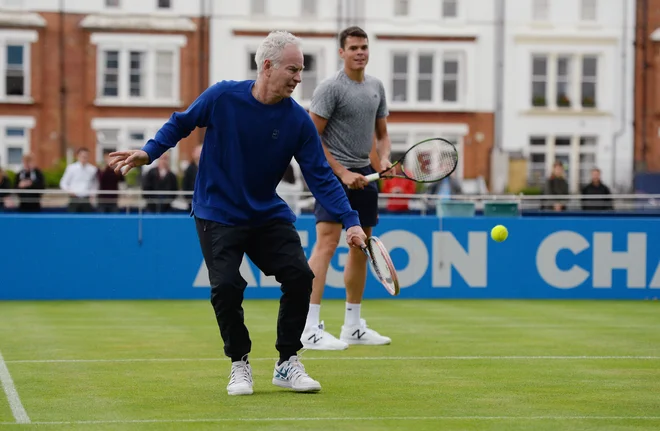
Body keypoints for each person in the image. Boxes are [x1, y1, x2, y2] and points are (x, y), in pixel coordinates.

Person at [108, 30, 367, 396]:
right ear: (266, 67)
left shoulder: (297, 121)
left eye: (301, 70)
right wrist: (148, 153)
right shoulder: (222, 96)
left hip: (266, 213)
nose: (298, 78)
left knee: (299, 275)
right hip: (217, 212)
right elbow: (181, 123)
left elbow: (321, 177)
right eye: (293, 69)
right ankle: (239, 363)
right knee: (226, 286)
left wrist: (352, 221)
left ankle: (287, 361)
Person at [301, 26, 392, 351]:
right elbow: (312, 137)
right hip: (332, 175)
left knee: (361, 247)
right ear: (341, 52)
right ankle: (309, 327)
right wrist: (341, 172)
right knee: (326, 245)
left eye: (364, 47)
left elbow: (381, 133)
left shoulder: (376, 87)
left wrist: (383, 160)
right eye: (353, 47)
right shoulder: (330, 89)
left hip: (365, 175)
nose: (360, 52)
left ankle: (352, 326)